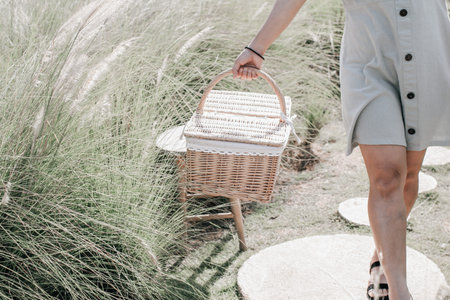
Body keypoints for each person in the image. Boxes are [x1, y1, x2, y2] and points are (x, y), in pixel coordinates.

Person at [232, 0, 450, 300]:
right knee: (388, 177)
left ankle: (382, 259)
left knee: (409, 177)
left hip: (429, 53)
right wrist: (257, 48)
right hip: (369, 64)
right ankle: (401, 292)